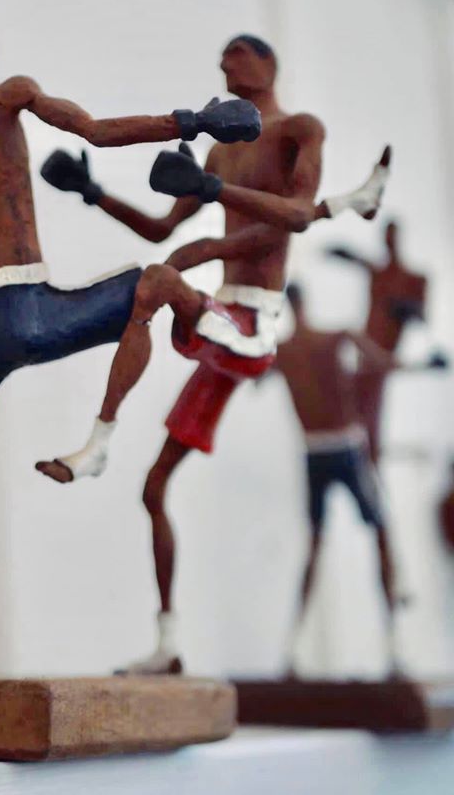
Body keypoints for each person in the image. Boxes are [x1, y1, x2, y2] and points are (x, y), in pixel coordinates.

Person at [0, 20, 263, 675]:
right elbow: (96, 131)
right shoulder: (8, 95)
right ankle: (116, 423)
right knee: (156, 282)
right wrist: (192, 122)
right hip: (30, 313)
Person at [37, 35, 390, 673]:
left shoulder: (299, 130)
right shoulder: (223, 147)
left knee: (158, 281)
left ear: (267, 65)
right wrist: (93, 192)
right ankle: (168, 644)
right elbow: (162, 228)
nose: (225, 66)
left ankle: (98, 440)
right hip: (223, 321)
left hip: (255, 326)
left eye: (236, 56)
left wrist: (213, 199)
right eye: (222, 60)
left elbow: (296, 217)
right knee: (154, 489)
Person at [274, 283, 445, 675]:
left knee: (321, 545)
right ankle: (392, 648)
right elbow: (384, 364)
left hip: (318, 451)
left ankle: (295, 650)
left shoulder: (285, 351)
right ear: (305, 303)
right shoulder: (333, 338)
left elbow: (251, 373)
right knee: (377, 535)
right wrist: (424, 365)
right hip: (343, 450)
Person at [325, 221, 428, 465]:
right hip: (367, 350)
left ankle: (368, 457)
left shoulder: (414, 278)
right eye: (386, 237)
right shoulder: (377, 272)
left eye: (392, 237)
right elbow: (357, 260)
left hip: (384, 353)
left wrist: (402, 308)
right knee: (357, 402)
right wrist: (342, 253)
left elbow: (421, 316)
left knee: (370, 405)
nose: (388, 242)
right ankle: (361, 456)